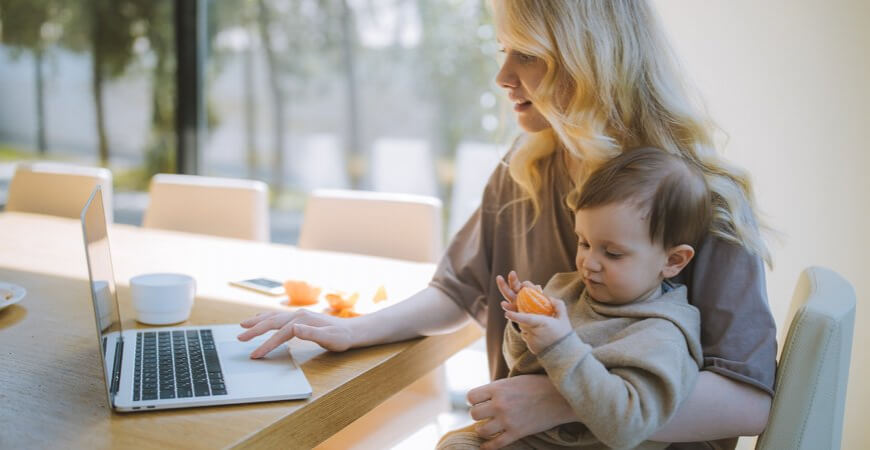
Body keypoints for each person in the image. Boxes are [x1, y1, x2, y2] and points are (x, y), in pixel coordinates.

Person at [237, 1, 777, 449]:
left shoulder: (701, 197)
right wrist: (354, 329)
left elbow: (749, 399)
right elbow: (459, 289)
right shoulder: (526, 167)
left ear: (591, 60)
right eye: (503, 51)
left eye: (529, 55)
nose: (502, 77)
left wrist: (560, 401)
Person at [437, 147, 711, 449]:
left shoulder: (662, 335)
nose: (588, 263)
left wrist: (560, 345)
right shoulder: (568, 290)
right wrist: (525, 328)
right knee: (455, 443)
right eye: (584, 242)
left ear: (673, 261)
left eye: (613, 253)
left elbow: (628, 426)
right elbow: (521, 365)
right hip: (529, 439)